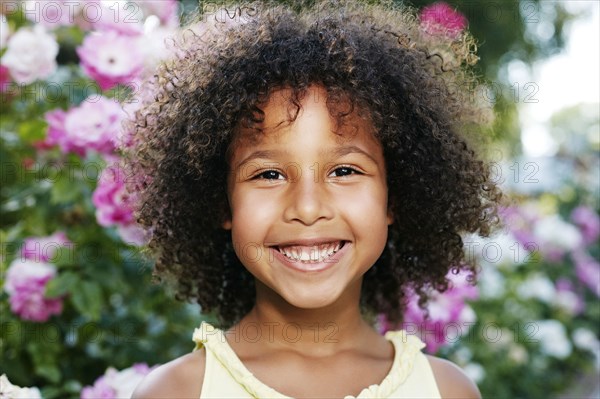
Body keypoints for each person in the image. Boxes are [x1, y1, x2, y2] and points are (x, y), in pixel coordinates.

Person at [128, 0, 502, 397]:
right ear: (222, 203)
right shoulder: (177, 391)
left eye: (344, 171)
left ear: (395, 196)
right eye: (269, 174)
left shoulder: (447, 390)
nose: (307, 208)